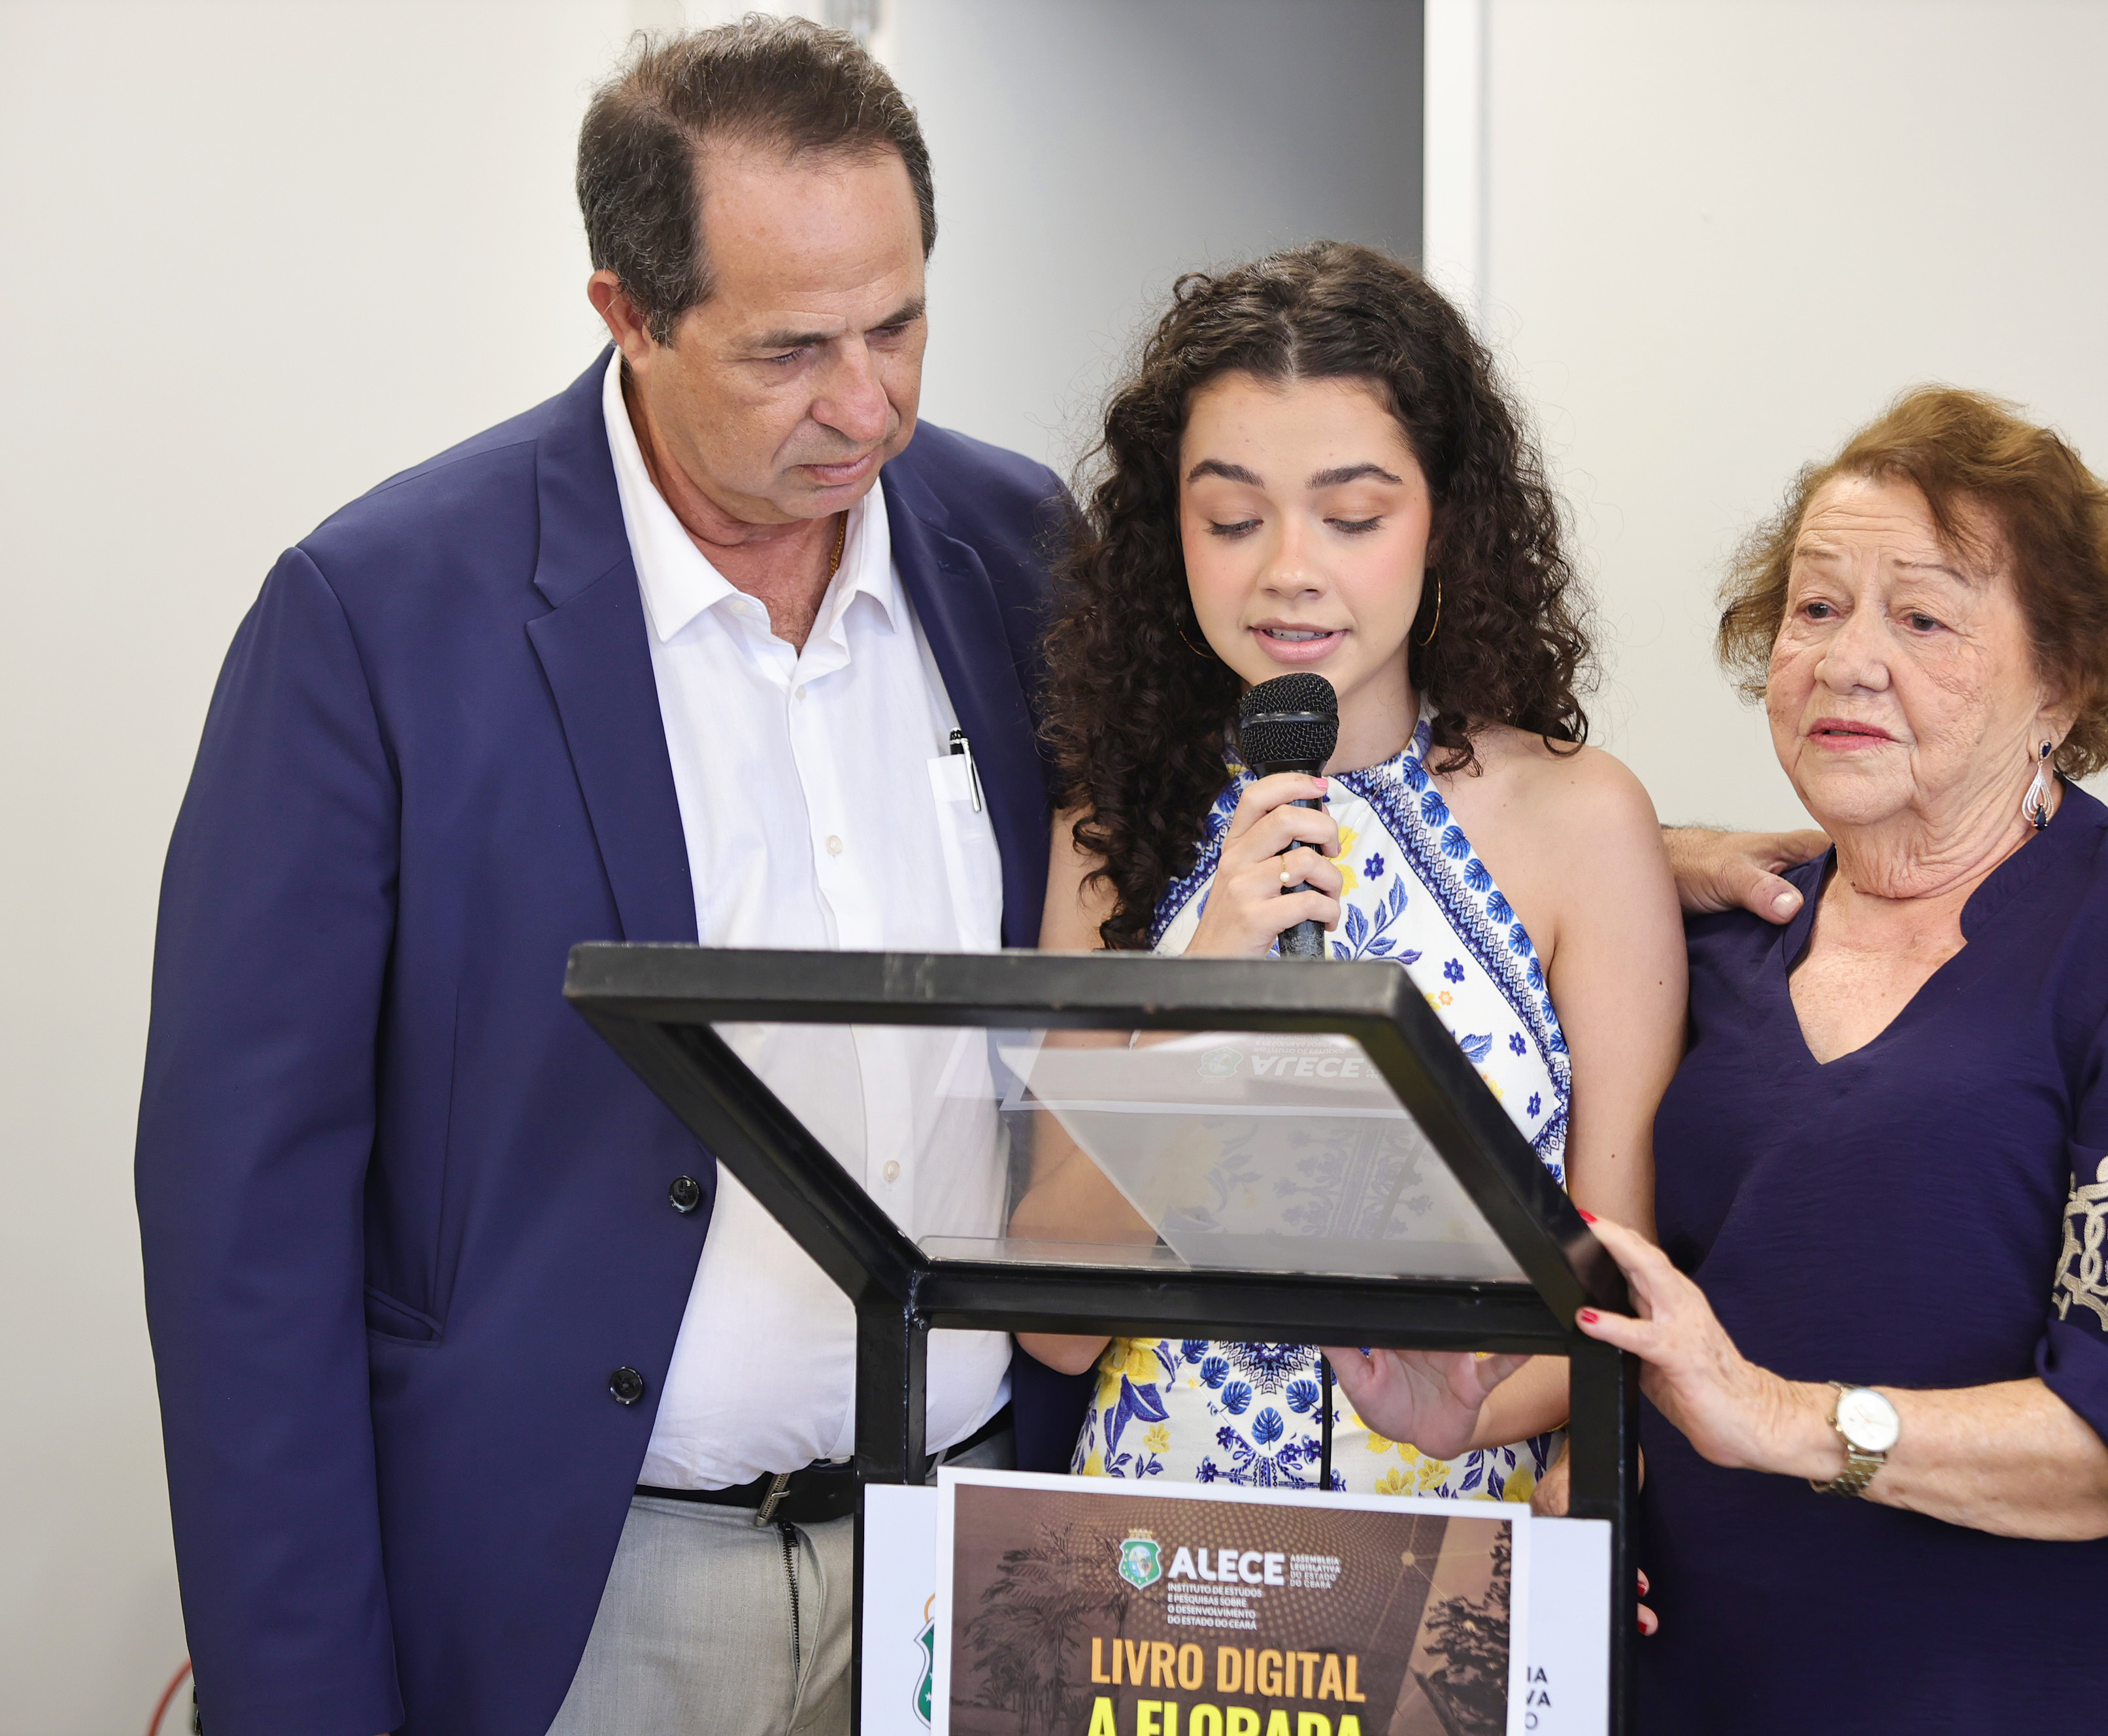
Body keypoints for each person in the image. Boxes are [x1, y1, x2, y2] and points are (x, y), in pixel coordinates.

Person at [134, 21, 1092, 1736]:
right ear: (628, 315)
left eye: (898, 325)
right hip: (583, 1595)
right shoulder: (377, 619)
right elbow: (242, 1223)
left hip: (978, 1557)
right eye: (791, 349)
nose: (867, 403)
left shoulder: (1024, 552)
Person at [1337, 387, 2108, 1732]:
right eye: (1815, 608)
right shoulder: (1713, 948)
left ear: (2062, 682)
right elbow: (1663, 1321)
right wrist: (1481, 1409)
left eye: (1923, 618)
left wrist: (1782, 1419)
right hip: (1707, 1691)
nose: (1846, 660)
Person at [1010, 242, 1688, 1501]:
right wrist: (1198, 998)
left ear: (1445, 520)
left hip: (1453, 1536)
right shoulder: (1113, 826)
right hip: (1153, 1554)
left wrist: (1470, 1417)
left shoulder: (1581, 820)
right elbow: (1052, 1326)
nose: (1289, 569)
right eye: (1232, 519)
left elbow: (1621, 1292)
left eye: (1354, 517)